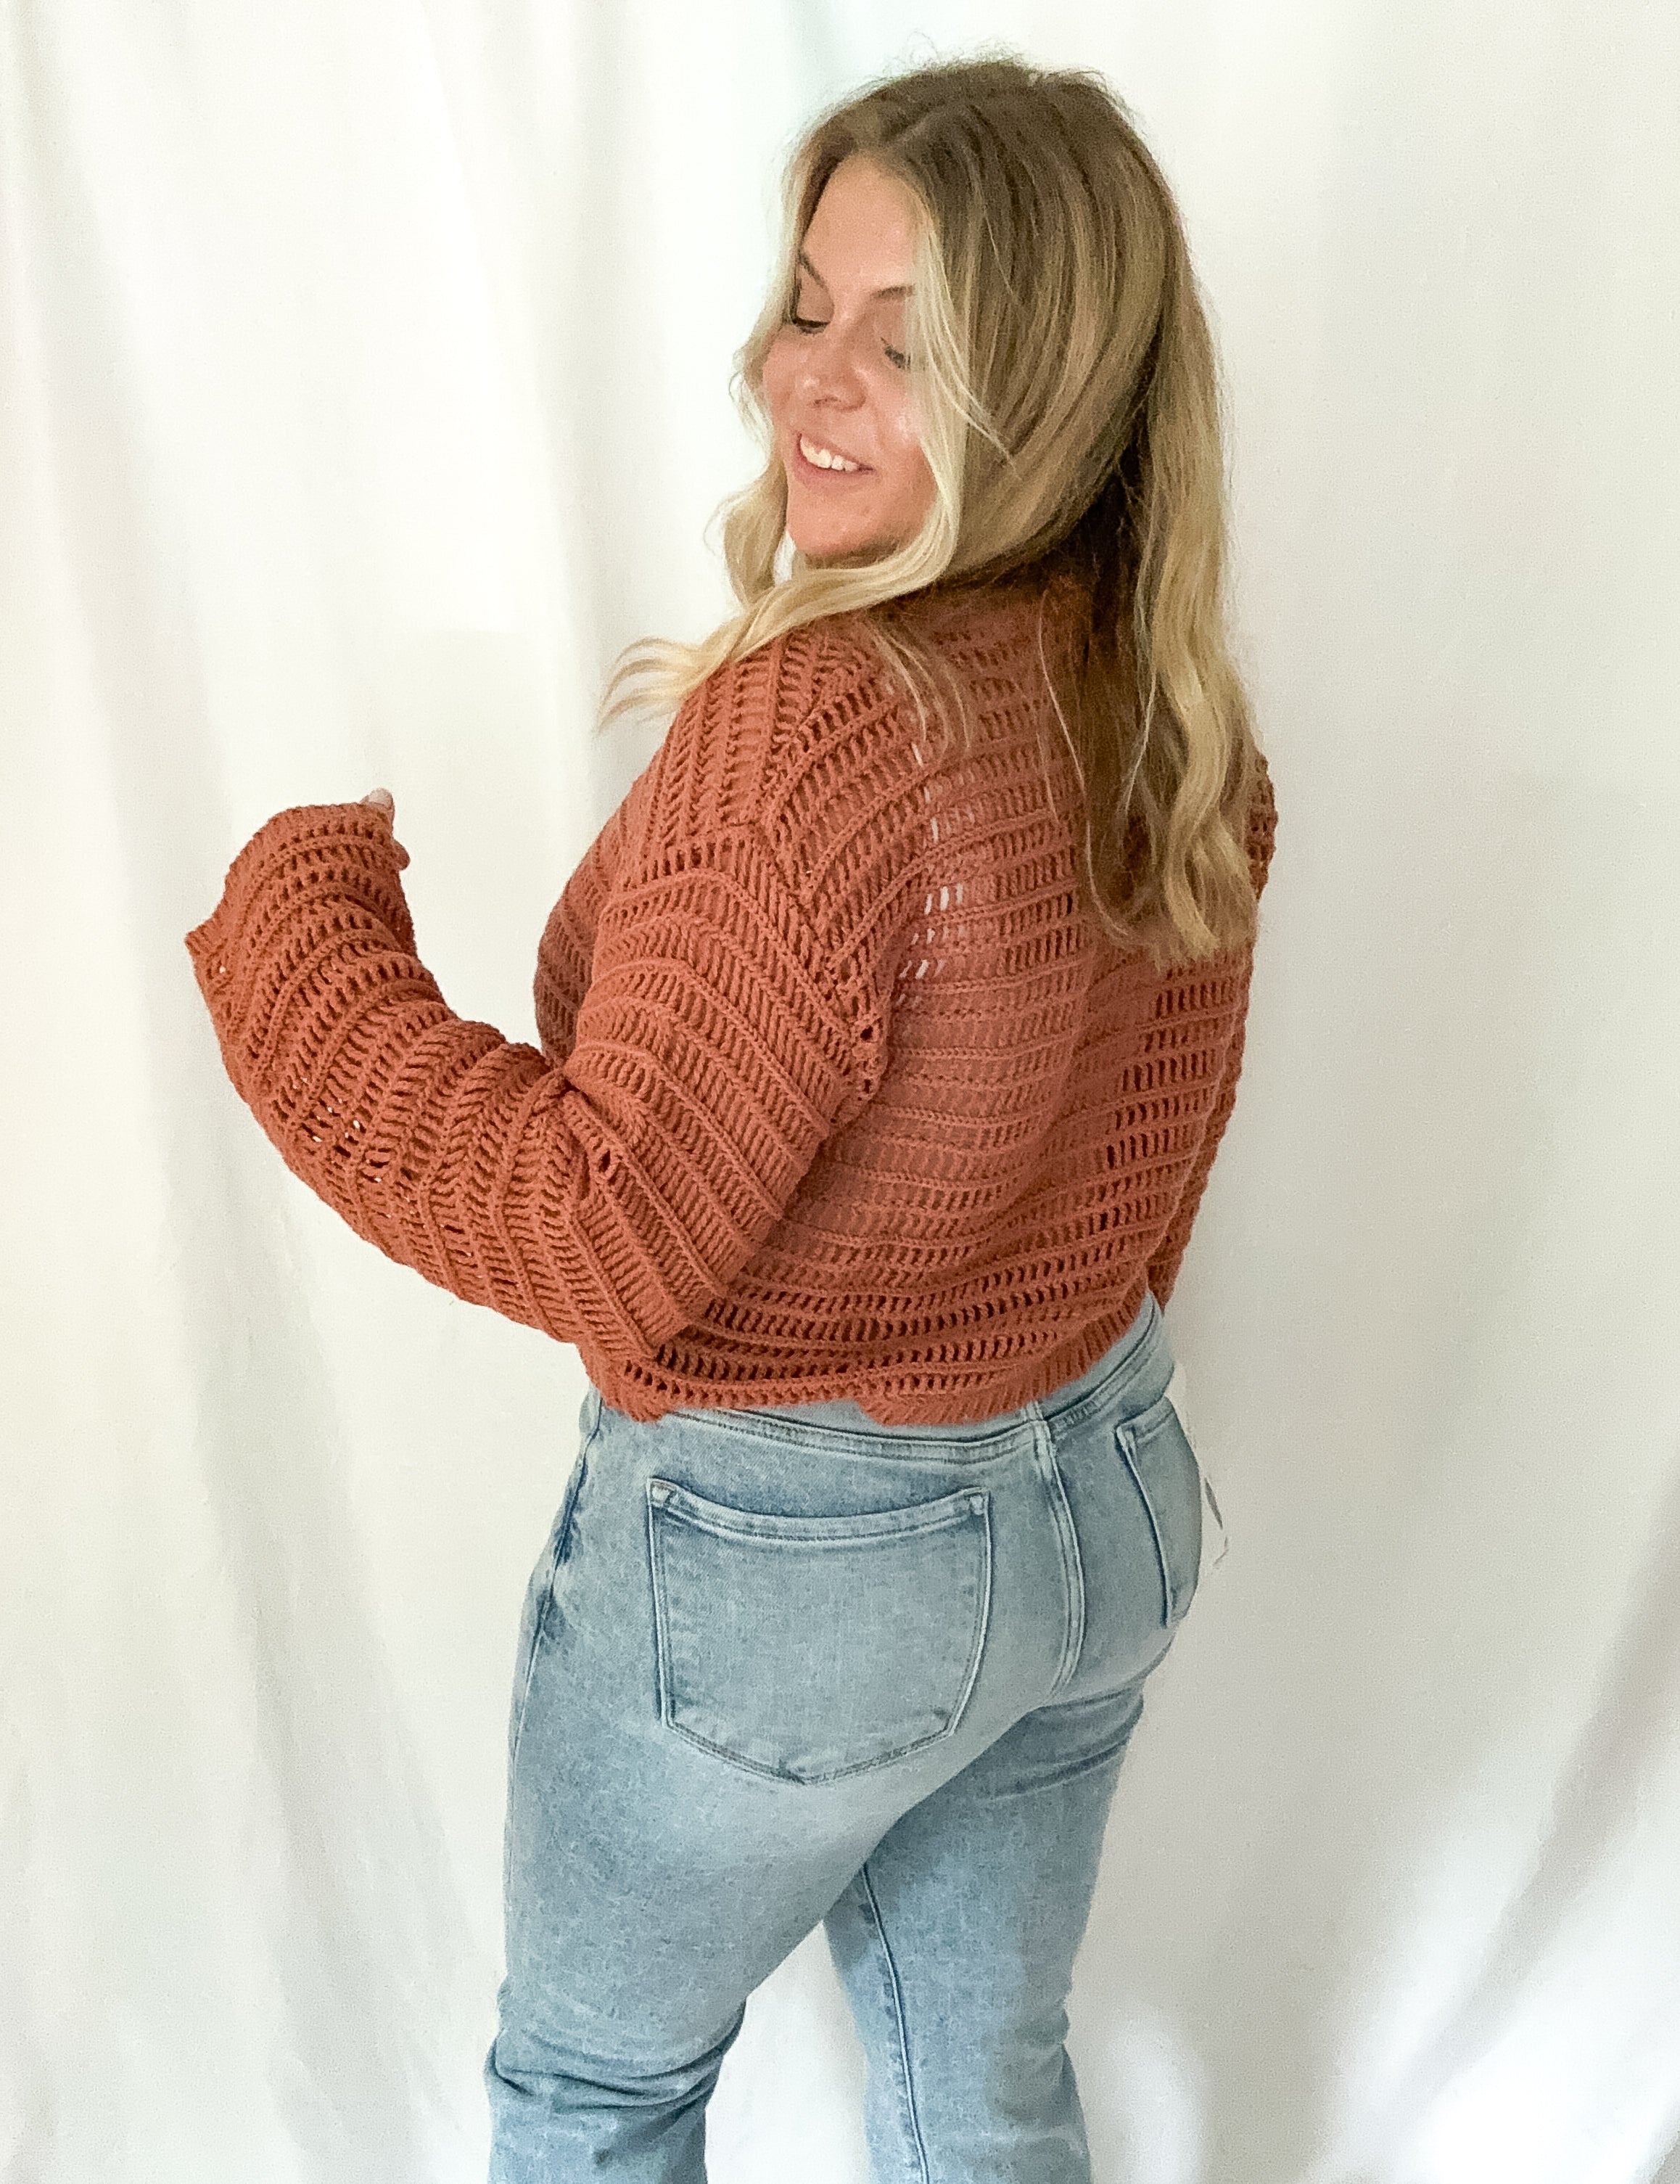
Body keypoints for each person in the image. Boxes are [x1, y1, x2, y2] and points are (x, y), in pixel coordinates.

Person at [186, 50, 1277, 2184]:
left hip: (804, 1569)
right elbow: (1159, 1158)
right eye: (805, 304)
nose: (812, 386)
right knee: (983, 2092)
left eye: (910, 342)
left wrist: (304, 936)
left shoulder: (820, 727)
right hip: (1103, 1509)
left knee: (593, 2102)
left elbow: (595, 1228)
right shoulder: (1165, 705)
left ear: (1046, 387)